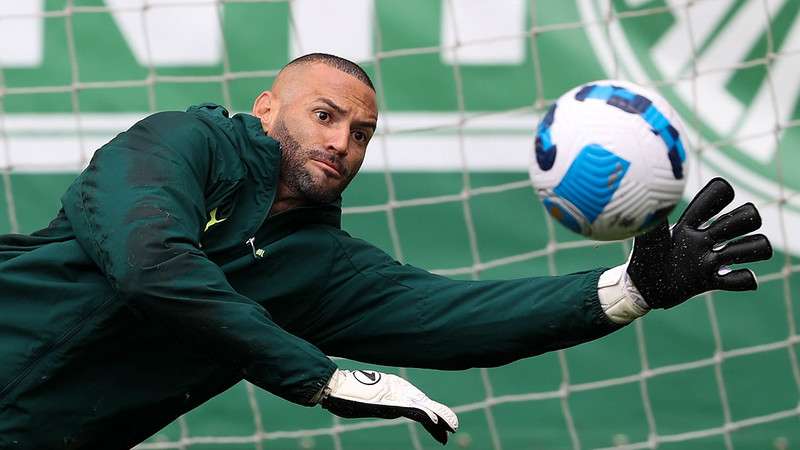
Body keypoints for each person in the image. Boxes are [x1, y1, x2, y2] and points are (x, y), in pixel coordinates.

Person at [0, 53, 772, 449]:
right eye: (326, 115)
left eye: (361, 133)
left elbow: (460, 320)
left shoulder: (322, 268)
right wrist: (317, 376)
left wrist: (630, 287)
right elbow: (151, 264)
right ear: (268, 106)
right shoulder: (181, 143)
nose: (342, 142)